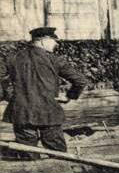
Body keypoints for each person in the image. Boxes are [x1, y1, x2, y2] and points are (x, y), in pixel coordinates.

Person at [2, 27, 91, 158]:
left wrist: (10, 95)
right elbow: (81, 81)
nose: (56, 44)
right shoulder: (55, 60)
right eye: (54, 41)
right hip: (49, 113)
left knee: (28, 155)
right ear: (43, 41)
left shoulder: (12, 58)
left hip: (21, 113)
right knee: (59, 156)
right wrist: (69, 96)